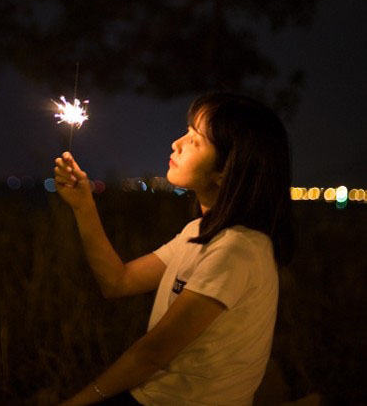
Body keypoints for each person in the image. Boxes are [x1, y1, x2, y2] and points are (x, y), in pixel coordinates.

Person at [53, 91, 295, 406]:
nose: (176, 143)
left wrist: (81, 402)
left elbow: (152, 353)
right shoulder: (197, 233)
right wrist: (83, 205)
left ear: (226, 170)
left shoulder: (238, 249)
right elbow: (118, 282)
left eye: (195, 141)